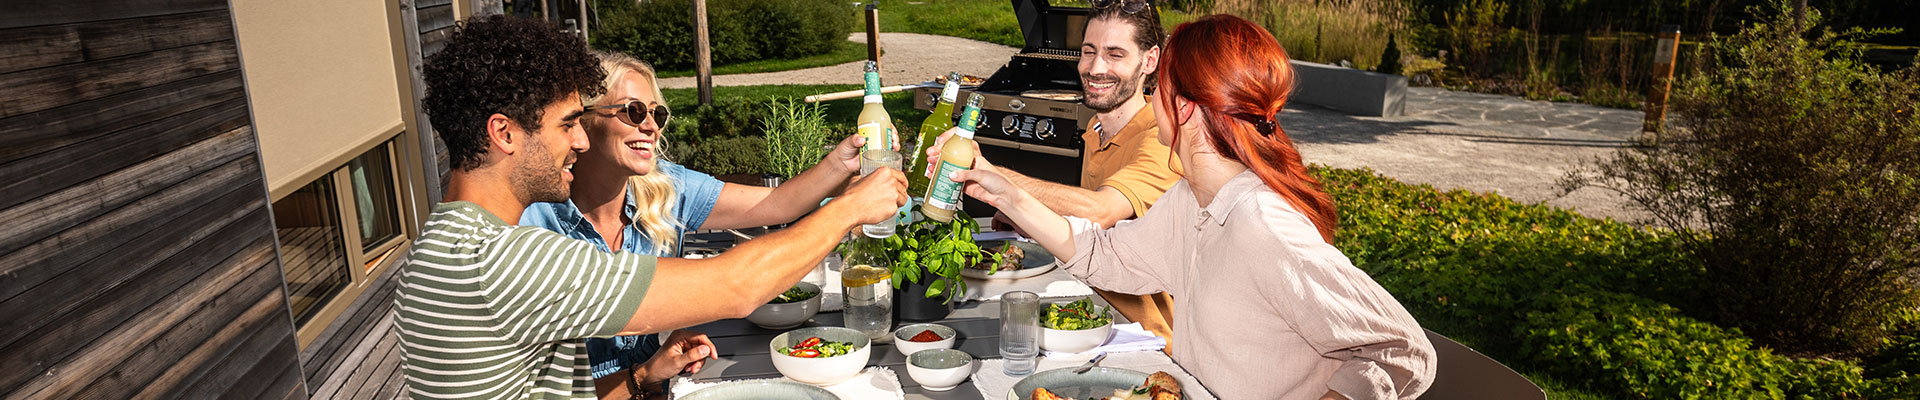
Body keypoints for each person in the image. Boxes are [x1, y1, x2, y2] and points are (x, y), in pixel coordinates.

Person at [394, 15, 907, 399]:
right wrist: (848, 210)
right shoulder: (506, 260)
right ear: (504, 133)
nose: (577, 141)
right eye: (567, 123)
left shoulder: (441, 250)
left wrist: (643, 375)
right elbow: (736, 288)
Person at [950, 14, 1435, 400]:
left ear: (1180, 107)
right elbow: (1108, 255)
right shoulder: (1192, 199)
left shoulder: (1262, 226)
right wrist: (1007, 194)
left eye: (1159, 85)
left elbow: (1402, 352)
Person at [517, 51, 888, 398]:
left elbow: (776, 204)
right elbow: (738, 287)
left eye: (656, 114)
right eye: (633, 112)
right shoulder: (536, 220)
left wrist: (841, 165)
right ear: (583, 121)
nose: (650, 126)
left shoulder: (664, 187)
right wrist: (848, 209)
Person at [924, 0, 1184, 345]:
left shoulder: (1161, 137)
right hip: (1086, 312)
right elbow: (1092, 229)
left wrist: (993, 176)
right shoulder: (1097, 128)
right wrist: (1028, 216)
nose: (1095, 68)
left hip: (1140, 336)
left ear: (1149, 60)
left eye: (1115, 55)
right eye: (1089, 51)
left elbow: (1101, 210)